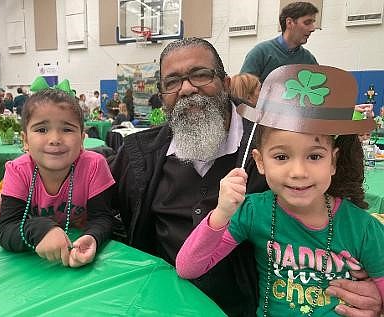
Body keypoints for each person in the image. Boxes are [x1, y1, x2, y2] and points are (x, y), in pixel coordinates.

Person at [109, 38, 382, 316]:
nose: (187, 89)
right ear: (163, 94)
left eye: (201, 75)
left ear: (226, 83)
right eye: (172, 82)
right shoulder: (138, 154)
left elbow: (344, 225)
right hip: (161, 303)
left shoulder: (278, 139)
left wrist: (370, 291)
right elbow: (102, 210)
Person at [176, 64, 384, 316]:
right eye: (282, 156)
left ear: (334, 162)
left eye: (315, 156)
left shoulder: (363, 229)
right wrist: (221, 213)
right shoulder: (254, 212)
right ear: (260, 161)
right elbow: (188, 267)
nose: (298, 171)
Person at [0, 88, 115, 267]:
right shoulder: (18, 171)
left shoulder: (94, 165)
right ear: (25, 140)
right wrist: (40, 230)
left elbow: (102, 218)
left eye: (67, 129)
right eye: (42, 129)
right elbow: (6, 229)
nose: (55, 139)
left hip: (78, 249)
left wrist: (92, 237)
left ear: (82, 139)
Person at [240, 2, 318, 83]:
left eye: (313, 23)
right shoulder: (260, 53)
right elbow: (243, 90)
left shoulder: (309, 60)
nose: (312, 28)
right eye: (307, 23)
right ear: (289, 23)